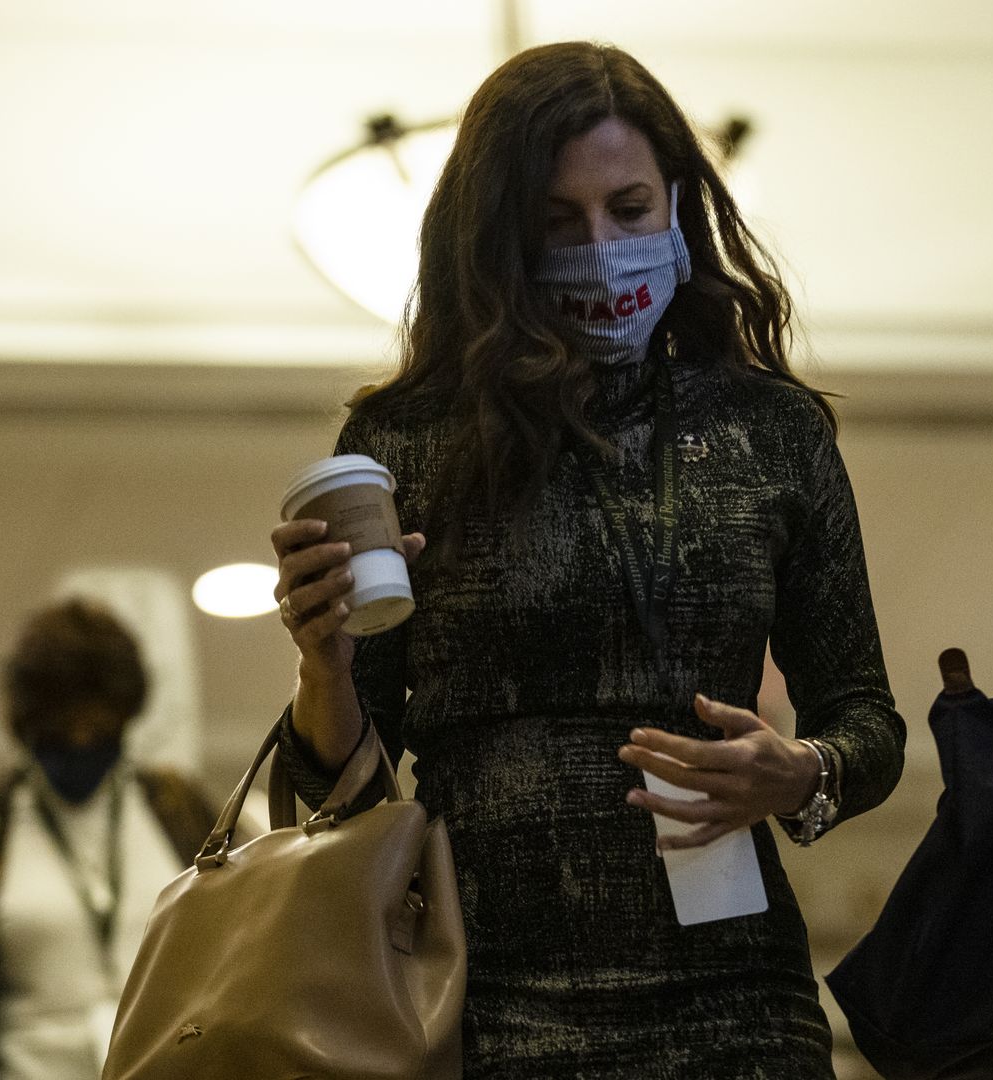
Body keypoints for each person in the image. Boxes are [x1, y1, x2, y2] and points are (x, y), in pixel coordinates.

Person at [267, 42, 904, 1079]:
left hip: (738, 1001)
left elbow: (868, 722)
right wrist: (322, 661)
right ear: (495, 240)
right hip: (481, 995)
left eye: (630, 208)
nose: (601, 247)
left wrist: (799, 774)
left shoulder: (771, 431)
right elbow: (337, 795)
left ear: (680, 212)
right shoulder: (404, 441)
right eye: (557, 223)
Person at [0, 599, 216, 1080]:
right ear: (27, 726)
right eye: (60, 730)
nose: (80, 743)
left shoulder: (178, 808)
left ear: (125, 716)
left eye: (97, 728)